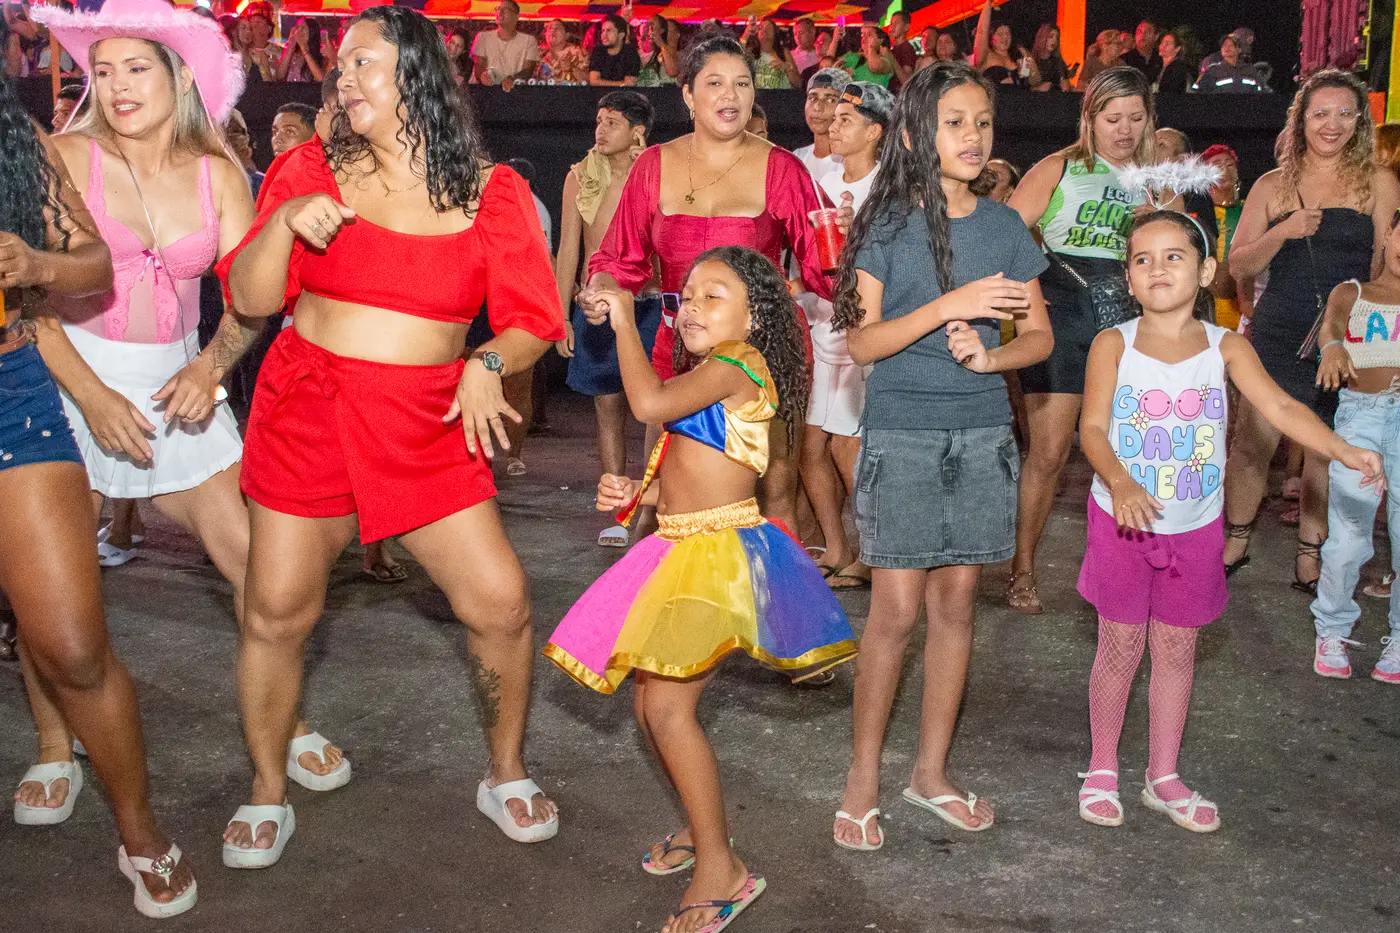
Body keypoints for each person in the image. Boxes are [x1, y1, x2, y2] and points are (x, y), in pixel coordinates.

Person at [218, 5, 563, 867]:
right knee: (275, 611)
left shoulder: (491, 191)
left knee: (502, 604)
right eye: (340, 66)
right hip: (310, 408)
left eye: (363, 62)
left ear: (418, 75)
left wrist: (487, 363)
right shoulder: (308, 168)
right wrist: (282, 223)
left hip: (428, 421)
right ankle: (267, 786)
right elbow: (250, 300)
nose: (343, 79)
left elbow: (534, 321)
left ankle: (505, 771)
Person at [30, 0, 355, 822]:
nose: (117, 86)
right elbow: (27, 302)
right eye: (104, 71)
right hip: (66, 381)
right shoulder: (62, 156)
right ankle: (53, 743)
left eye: (136, 68)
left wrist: (208, 369)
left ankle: (287, 718)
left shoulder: (218, 173)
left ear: (178, 78)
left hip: (177, 388)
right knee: (46, 587)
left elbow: (251, 296)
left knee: (262, 572)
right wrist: (92, 395)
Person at [546, 246, 857, 933]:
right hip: (680, 544)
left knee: (667, 710)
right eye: (686, 295)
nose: (690, 307)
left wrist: (622, 321)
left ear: (754, 316)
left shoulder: (738, 363)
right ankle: (700, 824)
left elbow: (648, 402)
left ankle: (722, 868)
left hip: (717, 554)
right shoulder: (711, 373)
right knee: (650, 702)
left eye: (713, 296)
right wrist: (637, 491)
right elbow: (690, 472)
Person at [1075, 210, 1383, 833]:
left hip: (1195, 528)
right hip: (1122, 523)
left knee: (1176, 649)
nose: (1158, 268)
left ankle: (1163, 775)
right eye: (1142, 259)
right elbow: (1092, 429)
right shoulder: (1114, 344)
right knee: (1120, 645)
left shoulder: (1227, 347)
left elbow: (1281, 407)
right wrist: (1121, 481)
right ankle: (1102, 766)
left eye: (1174, 256)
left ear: (1206, 270)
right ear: (1129, 279)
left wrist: (1342, 449)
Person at [830, 62, 1052, 852]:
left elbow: (1039, 336)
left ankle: (930, 772)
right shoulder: (886, 225)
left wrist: (992, 358)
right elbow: (862, 343)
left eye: (983, 121)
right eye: (955, 121)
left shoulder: (1004, 228)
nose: (973, 135)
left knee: (956, 606)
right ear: (916, 134)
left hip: (983, 434)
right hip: (903, 433)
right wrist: (950, 305)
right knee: (894, 612)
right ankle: (861, 778)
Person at [0, 51, 199, 915]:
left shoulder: (16, 141)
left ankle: (140, 833)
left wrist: (34, 264)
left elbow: (91, 263)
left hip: (10, 396)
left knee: (75, 646)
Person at [584, 36, 834, 537]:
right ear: (688, 95)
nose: (730, 95)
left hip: (764, 350)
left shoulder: (784, 168)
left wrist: (841, 237)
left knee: (775, 490)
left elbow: (827, 269)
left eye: (742, 83)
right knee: (666, 487)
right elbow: (618, 258)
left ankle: (775, 586)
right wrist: (600, 291)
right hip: (678, 343)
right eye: (715, 83)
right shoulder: (654, 165)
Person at [1221, 69, 1400, 592]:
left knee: (1326, 447)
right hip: (1280, 328)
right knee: (1252, 443)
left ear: (1360, 122)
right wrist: (1282, 231)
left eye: (1345, 114)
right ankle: (1236, 538)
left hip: (1346, 334)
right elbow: (1238, 264)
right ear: (1300, 120)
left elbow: (1384, 267)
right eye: (1320, 113)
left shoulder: (1378, 183)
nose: (1332, 124)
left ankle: (1309, 553)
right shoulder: (1272, 185)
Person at [1006, 67, 1164, 614]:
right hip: (1063, 313)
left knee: (1129, 452)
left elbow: (1183, 258)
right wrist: (1030, 295)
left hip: (1127, 321)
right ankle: (1022, 569)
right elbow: (1002, 234)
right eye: (1112, 118)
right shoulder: (1059, 167)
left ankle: (1123, 571)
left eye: (1135, 118)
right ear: (1089, 118)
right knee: (1049, 453)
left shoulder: (1155, 181)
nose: (1124, 130)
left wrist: (1159, 223)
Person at [556, 91, 659, 549]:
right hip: (596, 308)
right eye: (599, 120)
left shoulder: (657, 172)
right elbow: (568, 250)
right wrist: (560, 316)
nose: (601, 130)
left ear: (638, 131)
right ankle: (617, 510)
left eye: (612, 122)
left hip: (650, 304)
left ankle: (651, 507)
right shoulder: (580, 176)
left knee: (657, 411)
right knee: (607, 407)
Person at [800, 81, 890, 592]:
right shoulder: (821, 180)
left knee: (847, 446)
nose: (832, 125)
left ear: (875, 132)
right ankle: (837, 547)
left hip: (863, 327)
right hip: (821, 320)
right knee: (811, 445)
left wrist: (858, 232)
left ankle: (874, 551)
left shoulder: (891, 190)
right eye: (832, 117)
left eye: (846, 119)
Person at [1312, 216, 1400, 681]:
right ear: (1388, 234)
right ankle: (1331, 628)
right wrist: (1332, 347)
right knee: (1348, 534)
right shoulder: (1353, 292)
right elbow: (1329, 327)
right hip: (1359, 416)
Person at [1202, 144, 1245, 330]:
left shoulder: (1249, 208)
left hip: (1241, 306)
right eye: (1216, 164)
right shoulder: (1198, 212)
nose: (1224, 169)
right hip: (1207, 304)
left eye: (1229, 164)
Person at [793, 67, 848, 183]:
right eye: (812, 98)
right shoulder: (797, 158)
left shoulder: (852, 162)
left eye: (831, 100)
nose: (818, 107)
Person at [472, 0, 538, 90]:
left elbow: (528, 70)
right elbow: (479, 66)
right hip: (487, 91)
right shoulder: (482, 37)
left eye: (505, 9)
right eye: (498, 9)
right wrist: (482, 75)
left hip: (517, 92)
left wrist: (512, 78)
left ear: (516, 16)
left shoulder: (529, 41)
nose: (500, 12)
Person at [974, 0, 1032, 87]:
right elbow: (981, 32)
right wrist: (988, 3)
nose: (1005, 37)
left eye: (1008, 34)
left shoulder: (1017, 57)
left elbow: (1026, 83)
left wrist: (1026, 61)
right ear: (990, 38)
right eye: (1000, 34)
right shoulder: (986, 56)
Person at [1193, 34, 1268, 94]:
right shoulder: (1212, 71)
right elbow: (1197, 91)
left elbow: (1260, 90)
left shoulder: (1250, 70)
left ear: (1239, 49)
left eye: (1231, 45)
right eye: (1224, 45)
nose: (1226, 47)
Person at [743, 16, 800, 89]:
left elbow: (798, 84)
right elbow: (735, 55)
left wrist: (786, 67)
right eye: (761, 27)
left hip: (780, 95)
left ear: (774, 33)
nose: (764, 30)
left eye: (768, 28)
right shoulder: (751, 52)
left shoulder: (783, 52)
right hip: (759, 95)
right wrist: (746, 34)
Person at [589, 14, 639, 87]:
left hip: (623, 94)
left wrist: (602, 82)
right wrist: (621, 83)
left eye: (608, 30)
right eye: (603, 31)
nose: (604, 35)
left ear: (621, 35)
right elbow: (594, 81)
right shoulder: (598, 51)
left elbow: (630, 84)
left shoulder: (630, 53)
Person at [842, 24, 896, 88]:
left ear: (880, 40)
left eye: (869, 35)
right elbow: (831, 65)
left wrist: (871, 47)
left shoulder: (886, 60)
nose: (864, 37)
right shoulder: (854, 56)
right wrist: (835, 41)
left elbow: (875, 67)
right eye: (863, 34)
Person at [274, 17, 326, 83]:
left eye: (303, 27)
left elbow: (321, 79)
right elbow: (279, 76)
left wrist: (304, 49)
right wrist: (290, 48)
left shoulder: (322, 55)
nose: (299, 31)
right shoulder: (292, 54)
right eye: (298, 27)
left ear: (312, 32)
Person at [535, 18, 587, 83]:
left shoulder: (578, 52)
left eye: (557, 28)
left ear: (567, 35)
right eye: (550, 28)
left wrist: (572, 68)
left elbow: (588, 79)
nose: (553, 30)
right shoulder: (539, 53)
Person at [636, 13, 678, 86]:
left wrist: (661, 44)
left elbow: (672, 72)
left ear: (661, 30)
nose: (647, 28)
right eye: (647, 24)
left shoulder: (667, 50)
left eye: (651, 25)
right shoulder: (638, 53)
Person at [1031, 23, 1071, 91]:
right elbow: (1022, 87)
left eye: (1057, 38)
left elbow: (1066, 86)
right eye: (1051, 36)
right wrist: (1038, 88)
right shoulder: (1029, 60)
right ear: (1042, 38)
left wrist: (1065, 85)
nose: (1054, 40)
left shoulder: (1059, 62)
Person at [886, 10, 916, 91]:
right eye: (891, 23)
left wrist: (891, 58)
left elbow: (906, 81)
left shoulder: (907, 49)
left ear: (906, 27)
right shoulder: (892, 48)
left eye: (896, 23)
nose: (892, 27)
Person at [1154, 30, 1192, 94]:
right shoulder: (1157, 66)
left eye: (1168, 43)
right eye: (1162, 42)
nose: (1163, 45)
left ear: (1177, 49)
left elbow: (1170, 92)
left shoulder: (1177, 69)